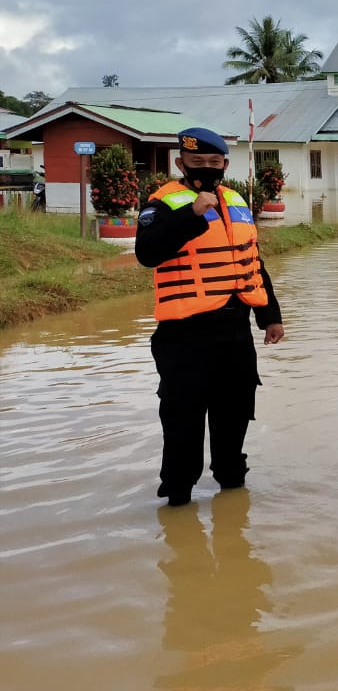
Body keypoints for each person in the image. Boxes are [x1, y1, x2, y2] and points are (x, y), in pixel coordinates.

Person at [135, 127, 284, 507]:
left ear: (225, 165)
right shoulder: (161, 203)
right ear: (180, 163)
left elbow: (250, 260)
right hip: (185, 336)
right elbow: (148, 252)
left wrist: (270, 316)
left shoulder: (235, 200)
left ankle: (232, 491)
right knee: (183, 420)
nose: (206, 169)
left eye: (213, 163)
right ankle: (179, 499)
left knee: (234, 416)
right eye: (197, 163)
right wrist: (192, 214)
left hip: (234, 333)